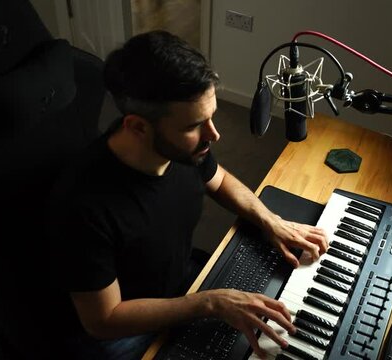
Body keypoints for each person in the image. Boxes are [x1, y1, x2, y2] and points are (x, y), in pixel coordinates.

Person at [48, 30, 329, 359]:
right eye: (195, 125)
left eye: (211, 116)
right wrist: (209, 303)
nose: (215, 134)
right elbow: (102, 321)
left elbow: (219, 179)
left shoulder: (183, 150)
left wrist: (270, 220)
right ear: (137, 127)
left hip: (182, 285)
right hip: (120, 330)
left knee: (279, 304)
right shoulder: (83, 205)